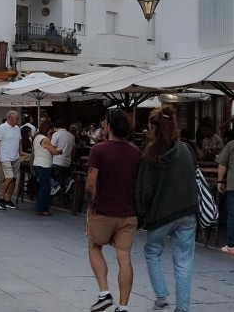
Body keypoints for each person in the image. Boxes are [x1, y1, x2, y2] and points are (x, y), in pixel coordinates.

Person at [135, 105, 198, 312]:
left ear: (153, 129)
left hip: (161, 214)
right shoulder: (186, 150)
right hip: (187, 211)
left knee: (152, 251)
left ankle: (161, 295)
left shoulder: (150, 156)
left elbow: (144, 190)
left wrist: (141, 213)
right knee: (184, 261)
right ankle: (182, 308)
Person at [85, 108, 143, 312]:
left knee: (94, 247)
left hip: (103, 210)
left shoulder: (98, 150)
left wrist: (92, 204)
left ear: (108, 126)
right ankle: (123, 306)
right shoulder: (136, 152)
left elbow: (91, 181)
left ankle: (104, 292)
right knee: (124, 256)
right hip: (128, 212)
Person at [0, 110, 23, 211]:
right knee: (9, 177)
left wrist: (20, 152)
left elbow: (19, 141)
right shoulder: (2, 127)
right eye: (17, 118)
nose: (18, 120)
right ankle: (1, 198)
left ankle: (8, 199)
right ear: (10, 118)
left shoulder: (17, 128)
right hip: (5, 156)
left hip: (15, 156)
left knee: (14, 178)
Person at [31, 121, 60, 216]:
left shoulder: (37, 138)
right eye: (51, 129)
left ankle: (42, 208)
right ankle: (42, 209)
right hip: (44, 165)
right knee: (45, 188)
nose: (52, 131)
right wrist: (60, 151)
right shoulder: (45, 139)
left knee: (43, 187)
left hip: (37, 164)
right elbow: (54, 151)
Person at [49, 119, 76, 204]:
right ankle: (67, 182)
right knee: (59, 173)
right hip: (67, 163)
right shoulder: (71, 136)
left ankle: (55, 185)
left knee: (43, 171)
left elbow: (51, 148)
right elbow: (74, 150)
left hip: (57, 162)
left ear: (54, 128)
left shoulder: (56, 134)